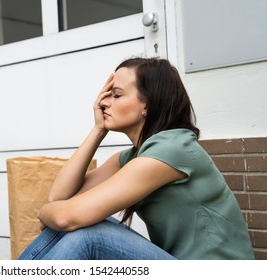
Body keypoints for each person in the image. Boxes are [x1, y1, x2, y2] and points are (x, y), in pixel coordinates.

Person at [18, 57, 255, 260]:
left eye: (117, 95)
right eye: (106, 95)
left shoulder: (172, 150)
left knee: (89, 232)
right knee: (81, 223)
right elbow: (59, 197)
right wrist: (98, 130)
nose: (103, 102)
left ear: (148, 106)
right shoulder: (133, 156)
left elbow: (64, 215)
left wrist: (44, 213)